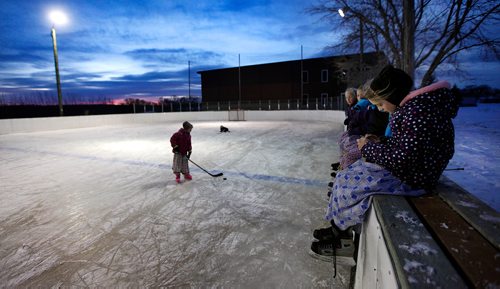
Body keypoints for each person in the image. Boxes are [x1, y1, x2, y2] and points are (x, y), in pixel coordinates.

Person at [311, 65, 459, 264]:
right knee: (347, 176)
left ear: (392, 95)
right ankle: (338, 230)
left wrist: (367, 149)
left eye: (381, 103)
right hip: (411, 172)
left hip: (413, 178)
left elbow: (404, 158)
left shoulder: (417, 112)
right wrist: (381, 142)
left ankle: (342, 241)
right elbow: (409, 147)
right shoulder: (416, 109)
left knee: (348, 181)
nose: (381, 109)